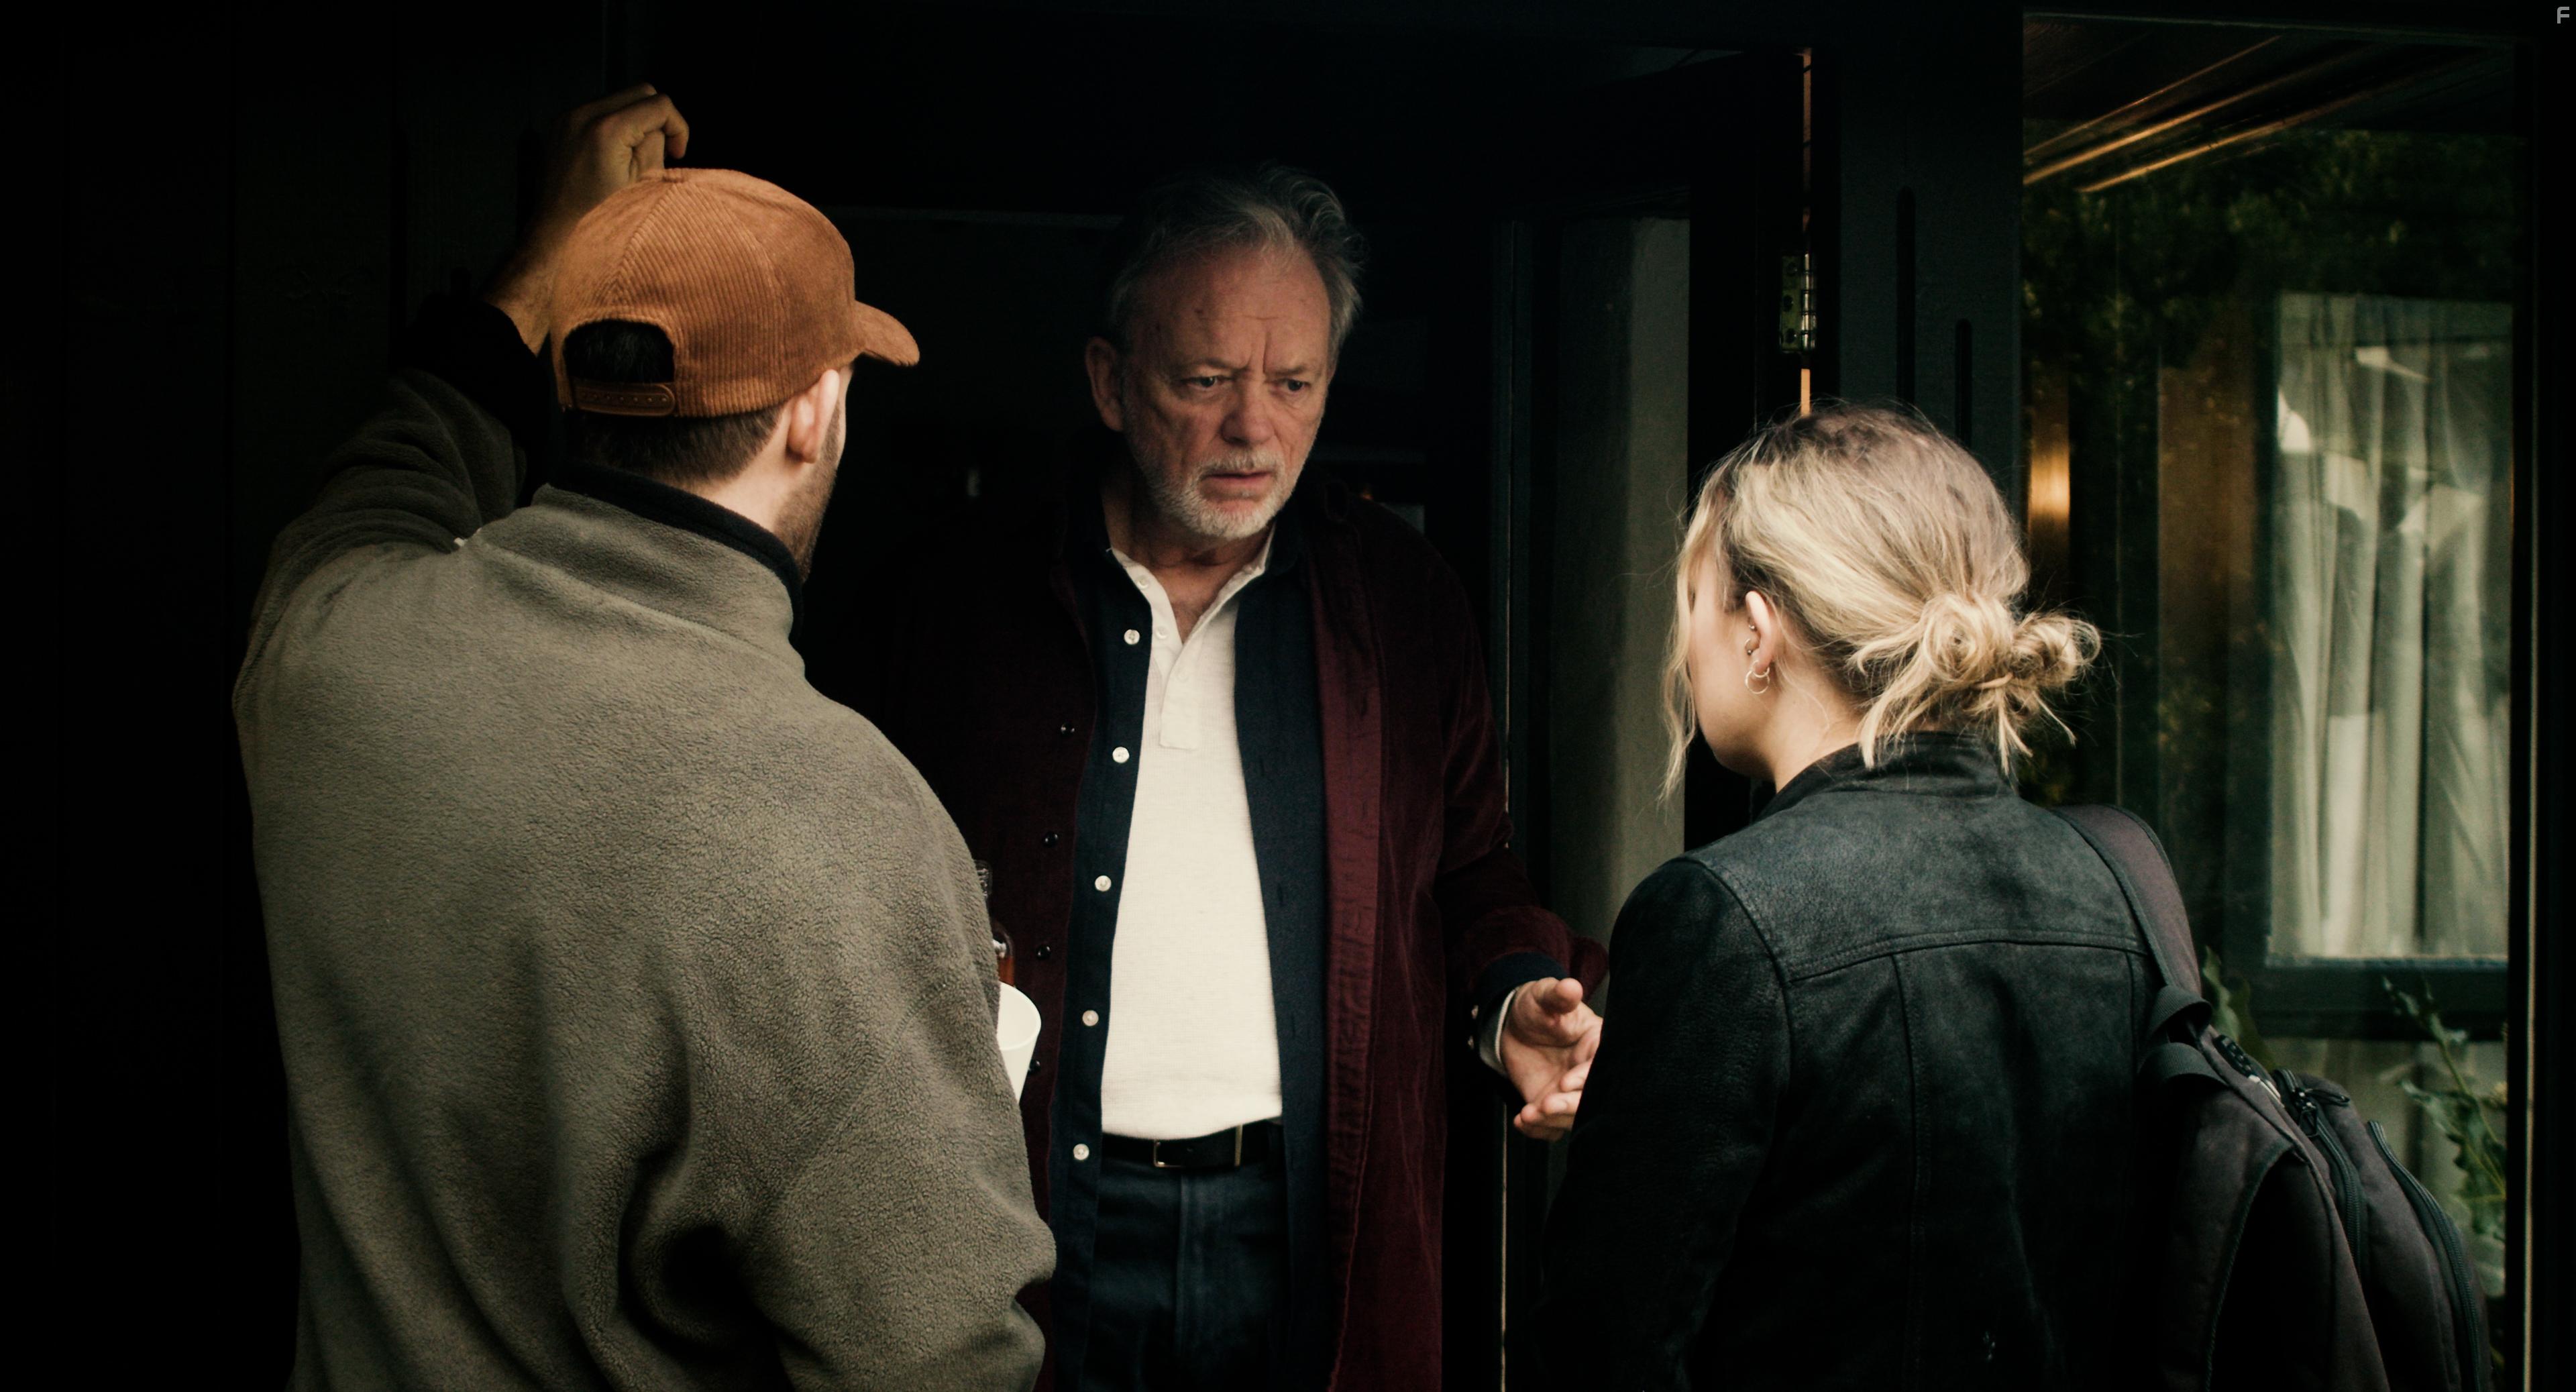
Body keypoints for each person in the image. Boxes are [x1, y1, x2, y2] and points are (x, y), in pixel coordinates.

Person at [234, 87, 1052, 1389]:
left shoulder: (333, 645)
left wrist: (536, 262)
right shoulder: (851, 822)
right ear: (817, 412)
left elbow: (397, 462)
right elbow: (940, 1361)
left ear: (567, 378)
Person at [849, 166, 1609, 1390]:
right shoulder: (957, 601)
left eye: (1294, 384)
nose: (1255, 429)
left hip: (1303, 1221)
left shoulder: (1401, 606)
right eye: (1206, 382)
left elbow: (1469, 866)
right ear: (1109, 379)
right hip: (1027, 1216)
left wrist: (1515, 989)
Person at [1518, 403, 2143, 1388]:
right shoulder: (2110, 886)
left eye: (1693, 604)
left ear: (1760, 633)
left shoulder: (1724, 913)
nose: (1686, 651)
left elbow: (1607, 1345)